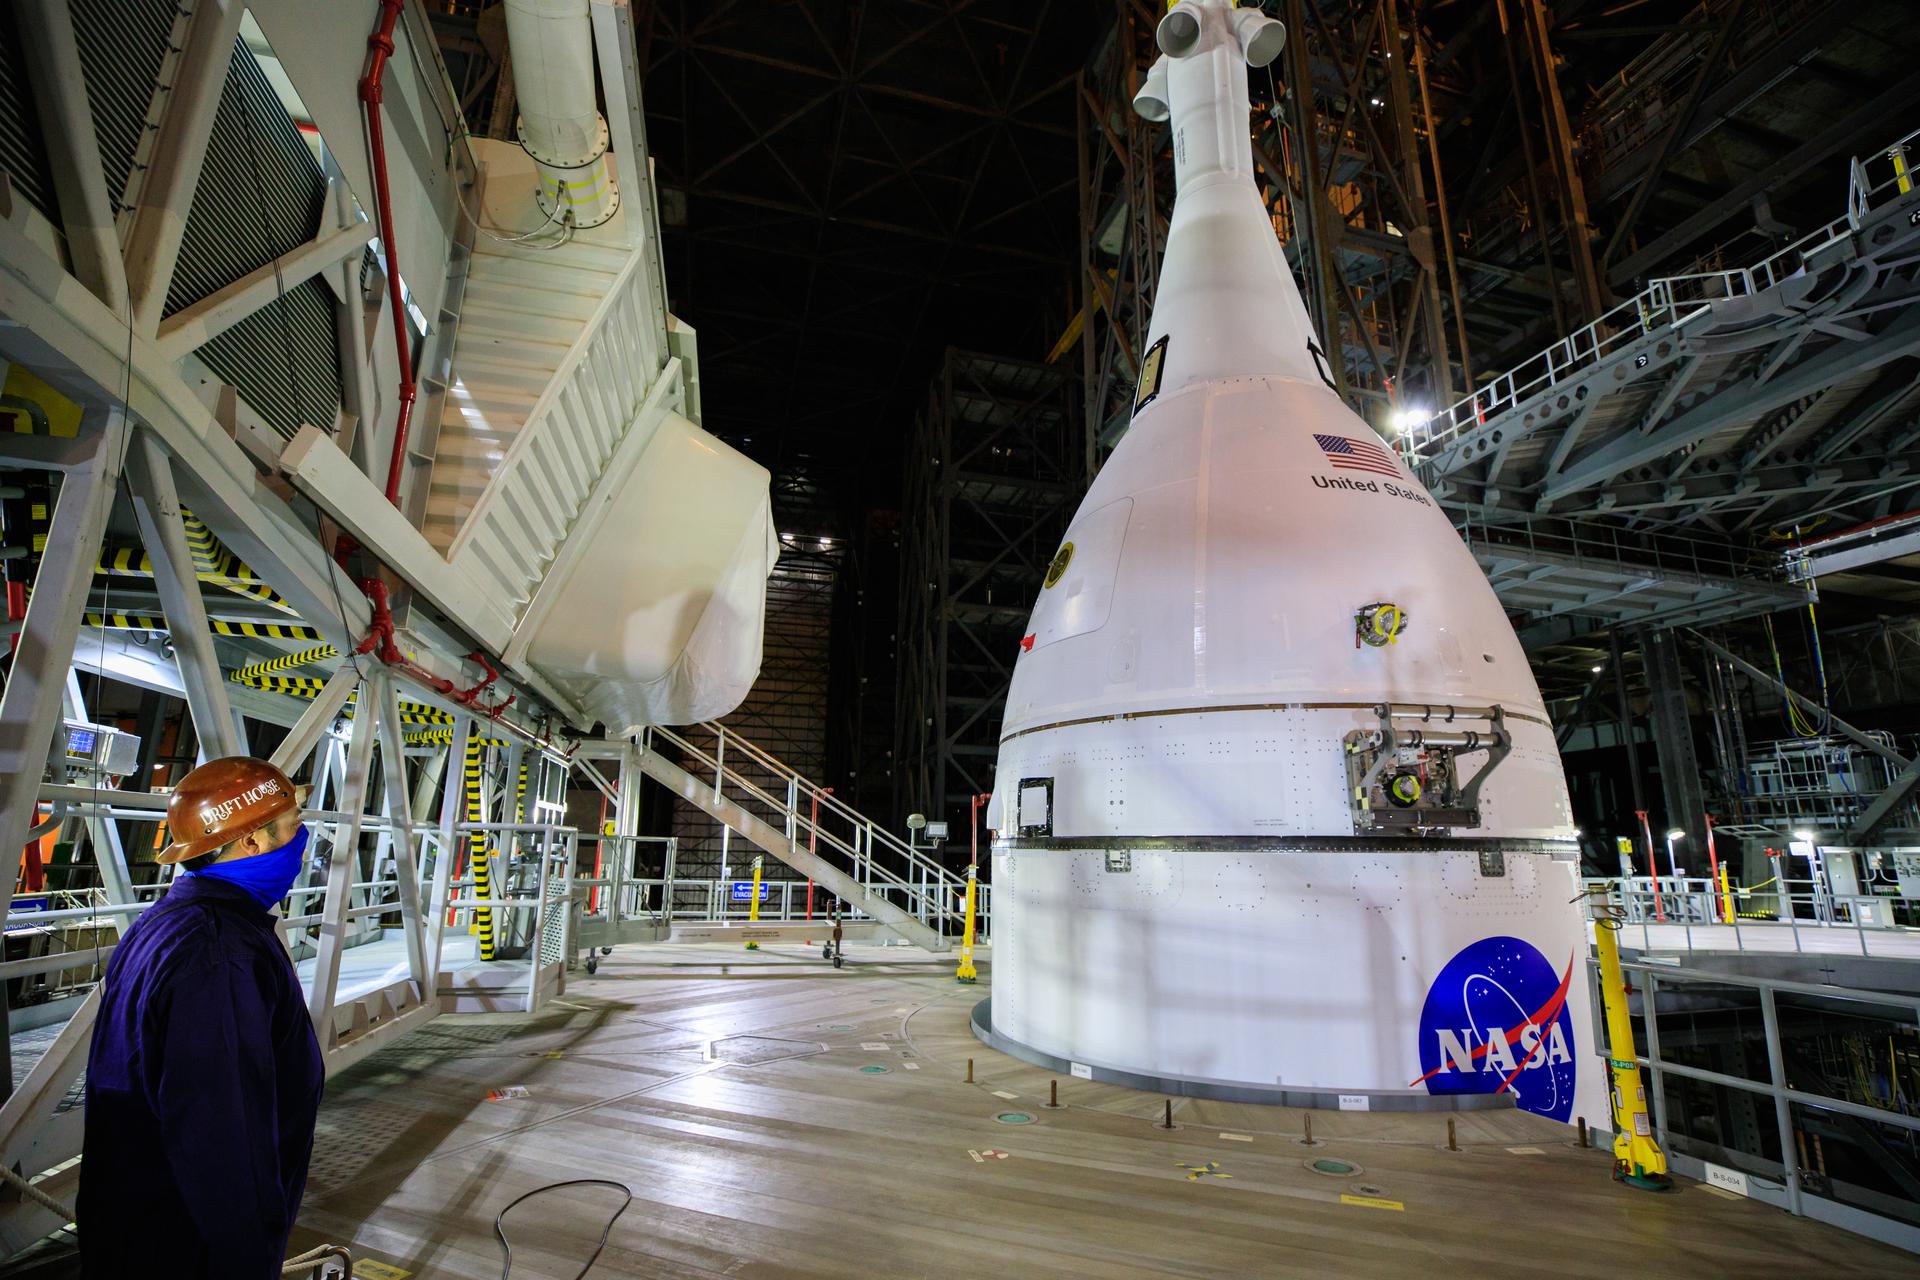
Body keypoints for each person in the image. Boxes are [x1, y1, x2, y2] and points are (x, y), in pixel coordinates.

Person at [78, 756, 325, 1278]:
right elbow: (223, 1132)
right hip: (188, 1245)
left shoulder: (166, 923)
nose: (303, 841)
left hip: (141, 1224)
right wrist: (248, 1258)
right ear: (254, 841)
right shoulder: (218, 952)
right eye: (293, 827)